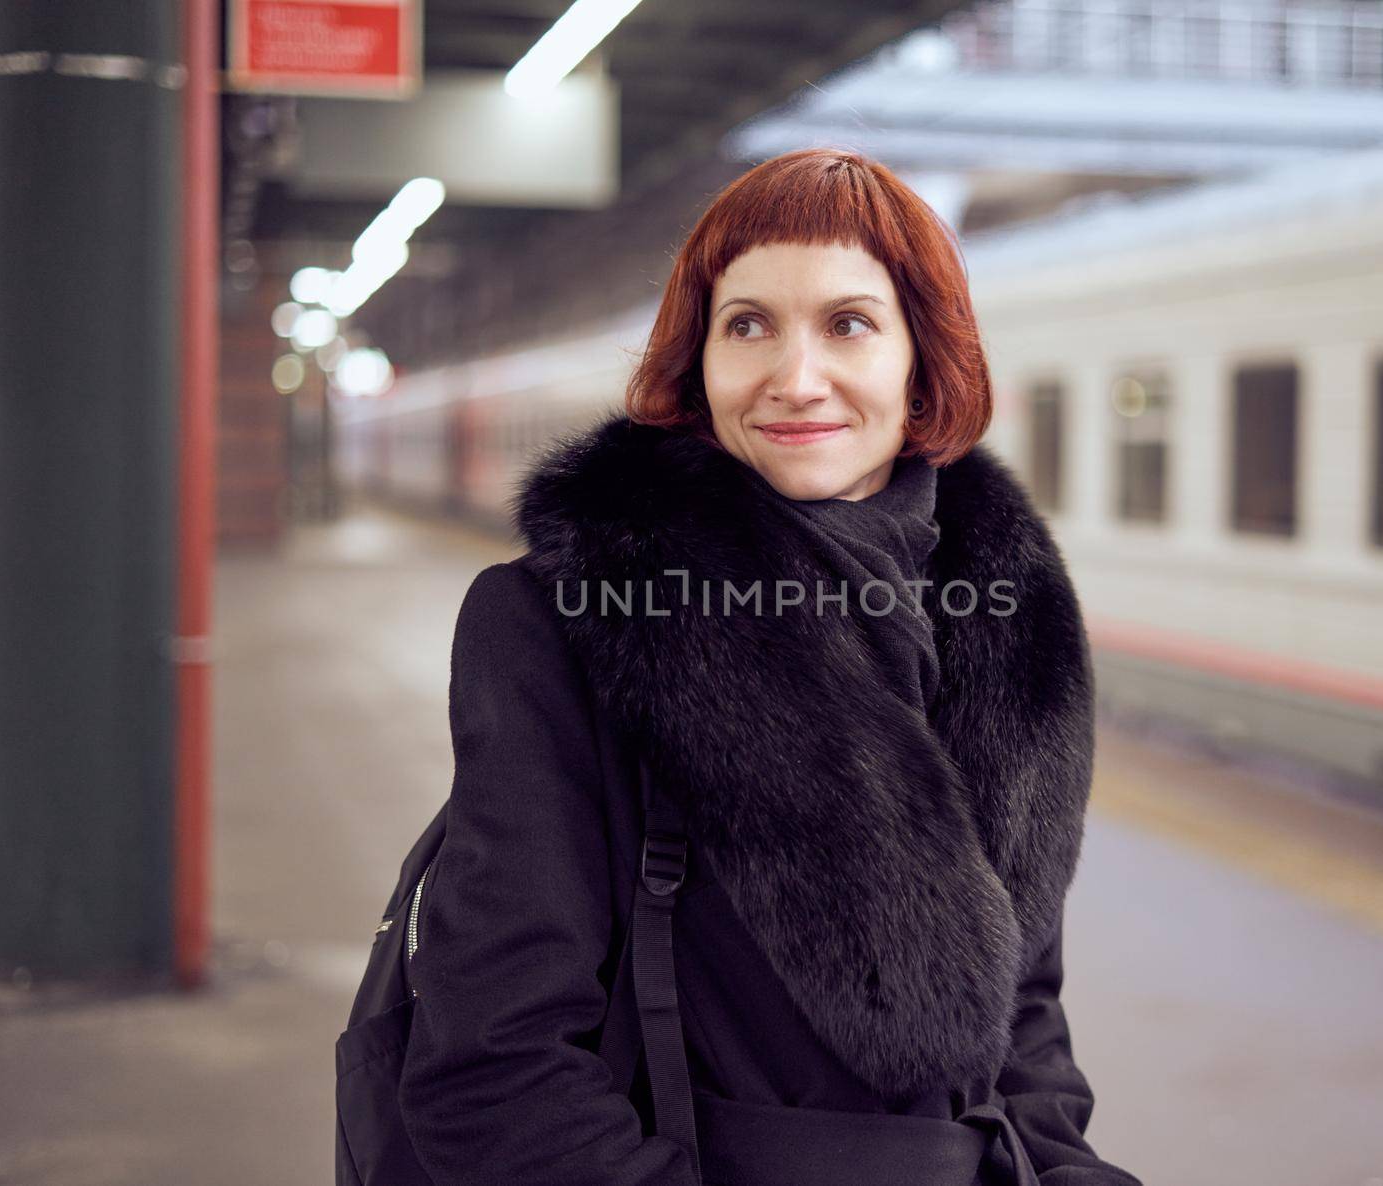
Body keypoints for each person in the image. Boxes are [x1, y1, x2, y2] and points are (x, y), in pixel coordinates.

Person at [397, 148, 1144, 1186]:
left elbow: (1021, 1017)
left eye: (847, 324)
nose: (795, 379)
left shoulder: (1010, 622)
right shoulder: (569, 619)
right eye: (746, 324)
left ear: (924, 358)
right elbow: (490, 1063)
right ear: (696, 360)